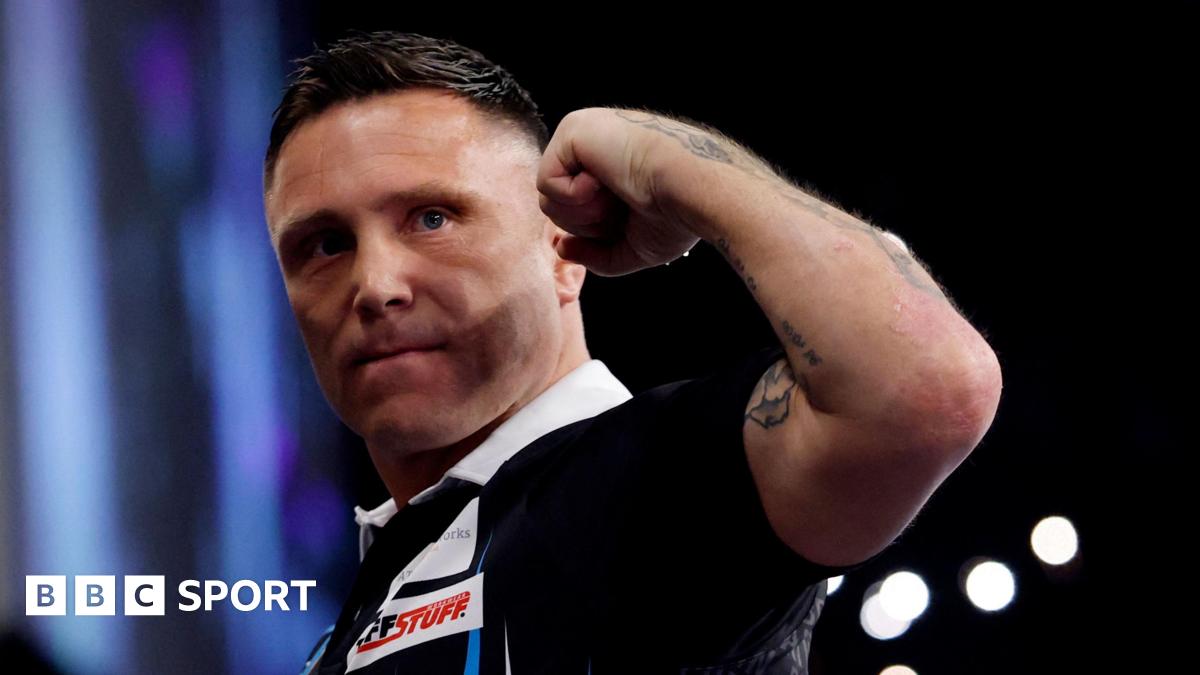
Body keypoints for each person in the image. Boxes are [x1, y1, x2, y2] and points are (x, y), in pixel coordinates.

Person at [262, 31, 1002, 675]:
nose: (375, 286)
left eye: (432, 217)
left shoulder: (652, 484)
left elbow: (925, 387)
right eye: (324, 245)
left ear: (562, 249)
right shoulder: (360, 605)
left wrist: (663, 159)